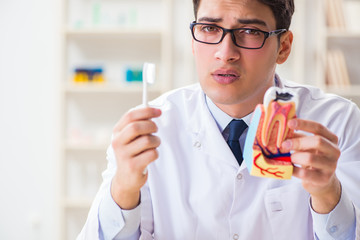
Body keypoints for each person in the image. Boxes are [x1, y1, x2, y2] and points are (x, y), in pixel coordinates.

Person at [78, 0, 360, 239]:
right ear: (192, 39)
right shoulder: (148, 126)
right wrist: (124, 189)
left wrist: (327, 194)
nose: (225, 53)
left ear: (283, 46)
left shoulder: (337, 122)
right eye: (210, 28)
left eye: (250, 31)